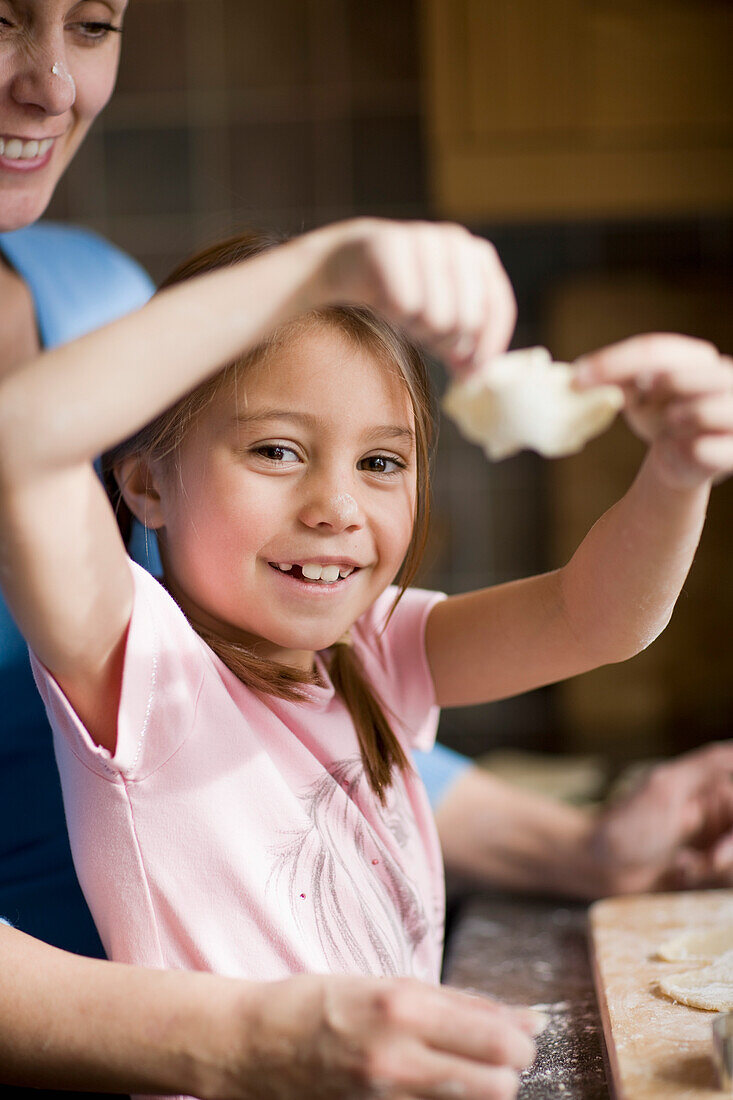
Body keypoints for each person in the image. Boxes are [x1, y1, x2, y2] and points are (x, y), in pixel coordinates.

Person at [1, 217, 732, 1098]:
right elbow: (19, 446)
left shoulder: (372, 651)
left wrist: (675, 474)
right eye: (277, 450)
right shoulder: (140, 665)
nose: (336, 506)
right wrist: (316, 269)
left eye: (381, 461)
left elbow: (595, 618)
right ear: (148, 482)